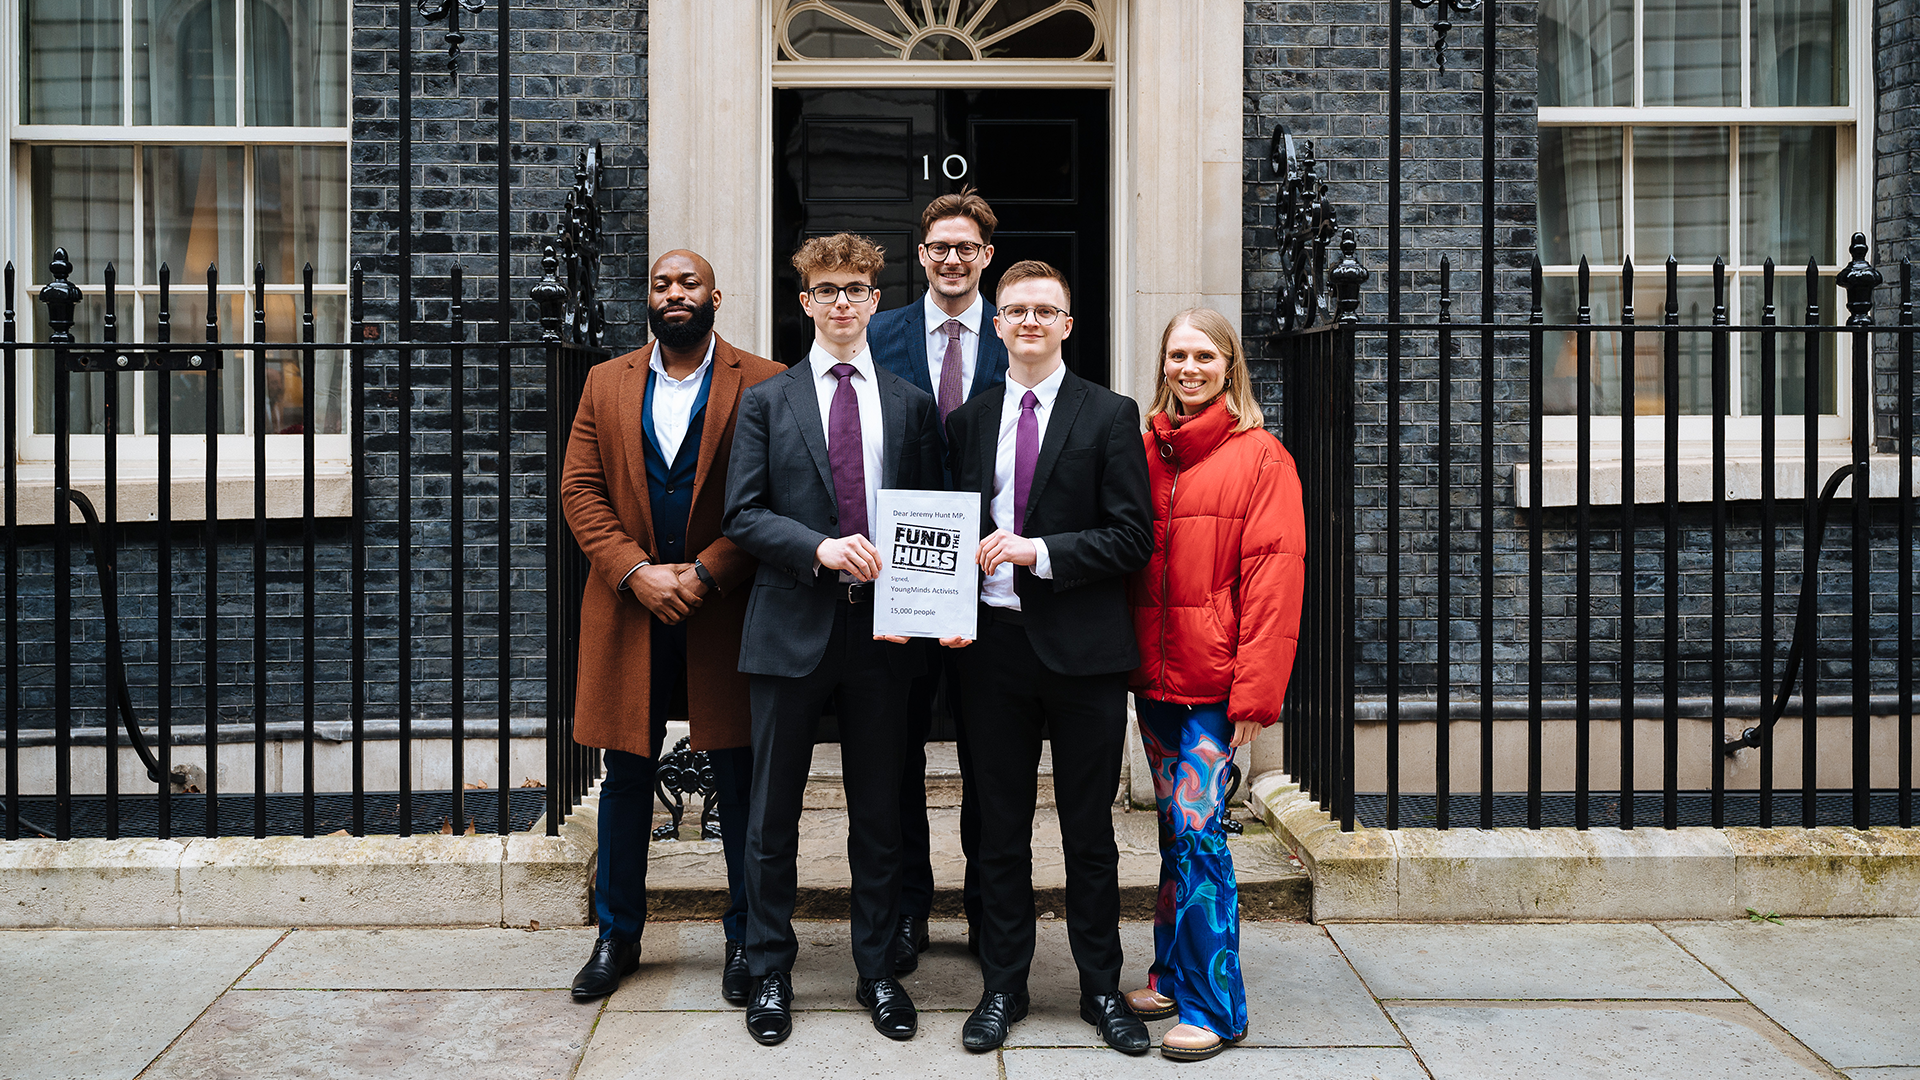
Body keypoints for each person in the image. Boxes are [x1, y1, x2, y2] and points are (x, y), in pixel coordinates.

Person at [722, 232, 944, 1046]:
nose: (841, 301)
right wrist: (818, 548)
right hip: (791, 625)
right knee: (771, 815)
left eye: (855, 289)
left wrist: (937, 606)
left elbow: (933, 516)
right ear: (805, 302)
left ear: (876, 301)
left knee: (879, 814)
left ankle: (877, 970)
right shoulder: (767, 401)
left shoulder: (911, 403)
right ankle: (770, 971)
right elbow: (742, 515)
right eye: (827, 290)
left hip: (884, 634)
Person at [559, 250, 785, 1005]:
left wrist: (706, 571)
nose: (675, 293)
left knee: (738, 776)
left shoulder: (765, 380)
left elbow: (778, 497)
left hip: (725, 608)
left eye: (690, 283)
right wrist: (636, 571)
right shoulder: (605, 381)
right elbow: (580, 491)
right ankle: (617, 935)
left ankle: (746, 938)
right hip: (630, 608)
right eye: (662, 284)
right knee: (626, 775)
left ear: (715, 296)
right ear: (648, 299)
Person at [940, 260, 1155, 1054]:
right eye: (1016, 310)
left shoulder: (1109, 414)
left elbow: (1132, 538)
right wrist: (941, 606)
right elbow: (948, 528)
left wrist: (1037, 551)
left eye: (1045, 310)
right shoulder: (968, 419)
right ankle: (1004, 986)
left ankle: (1100, 988)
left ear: (1068, 324)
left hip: (1083, 656)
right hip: (990, 653)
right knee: (998, 831)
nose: (1029, 320)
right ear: (996, 325)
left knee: (1088, 833)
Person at [1124, 308, 1306, 1062]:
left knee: (1200, 834)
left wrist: (1256, 696)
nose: (1189, 368)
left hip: (1215, 687)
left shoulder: (1262, 458)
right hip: (1153, 681)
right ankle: (1172, 974)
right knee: (1176, 833)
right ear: (1162, 365)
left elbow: (1274, 582)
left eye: (1204, 356)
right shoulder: (1143, 450)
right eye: (1177, 356)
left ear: (1230, 365)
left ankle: (1215, 1006)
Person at [865, 187, 1009, 970]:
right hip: (905, 577)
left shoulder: (1017, 329)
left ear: (985, 256)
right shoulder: (878, 333)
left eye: (967, 248)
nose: (952, 259)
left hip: (990, 578)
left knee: (990, 759)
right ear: (921, 256)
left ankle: (989, 914)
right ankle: (908, 911)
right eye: (939, 247)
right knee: (896, 757)